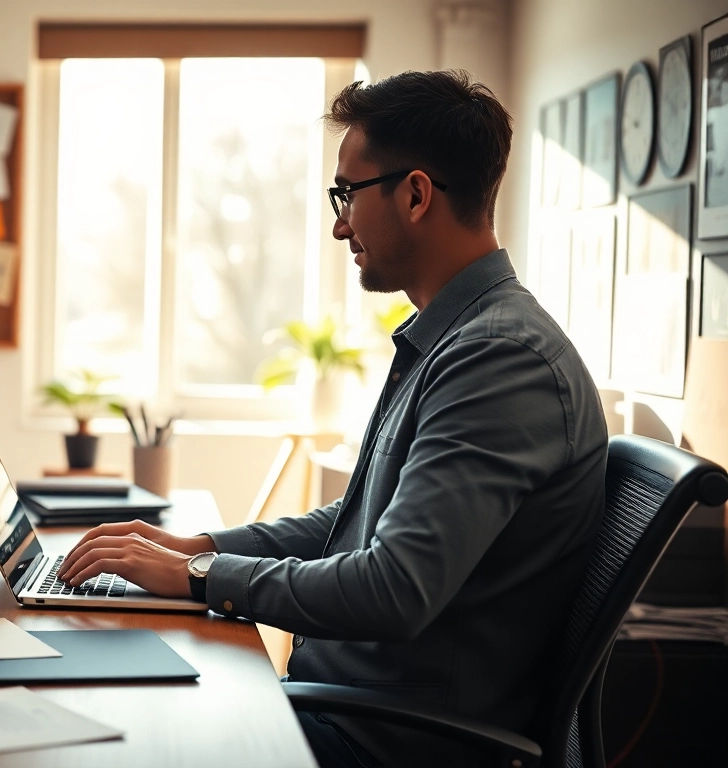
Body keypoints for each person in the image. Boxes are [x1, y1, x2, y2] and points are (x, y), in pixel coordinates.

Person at [57, 70, 607, 767]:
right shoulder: (454, 337)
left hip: (389, 743)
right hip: (349, 710)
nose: (342, 223)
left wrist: (200, 577)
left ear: (415, 194)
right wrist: (193, 545)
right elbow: (352, 521)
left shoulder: (498, 358)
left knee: (108, 734)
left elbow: (394, 587)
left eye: (348, 194)